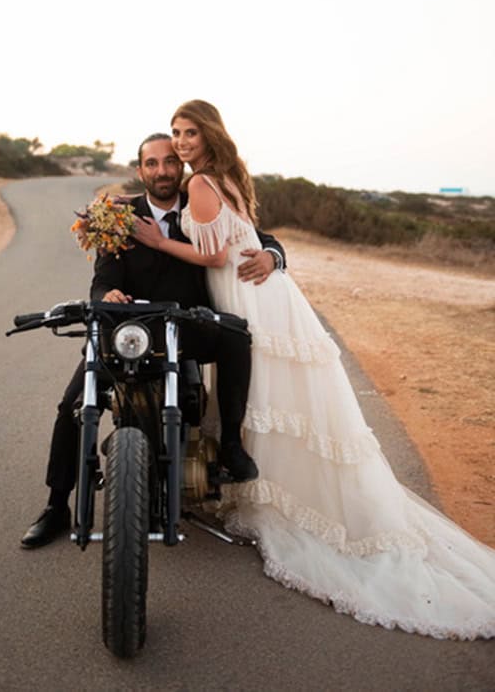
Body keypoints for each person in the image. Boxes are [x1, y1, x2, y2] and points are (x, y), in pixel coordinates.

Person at [134, 100, 495, 641]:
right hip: (265, 293)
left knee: (270, 396)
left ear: (208, 135)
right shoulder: (226, 176)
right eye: (176, 134)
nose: (182, 143)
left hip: (246, 296)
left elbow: (214, 258)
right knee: (279, 396)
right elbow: (246, 239)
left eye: (190, 133)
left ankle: (271, 490)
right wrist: (269, 256)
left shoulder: (204, 183)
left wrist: (161, 241)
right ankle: (264, 479)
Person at [21, 132, 286, 548]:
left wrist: (273, 256)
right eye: (151, 163)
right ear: (140, 169)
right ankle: (56, 504)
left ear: (179, 167)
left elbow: (251, 235)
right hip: (130, 330)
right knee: (72, 405)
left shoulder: (203, 202)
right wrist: (105, 296)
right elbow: (102, 280)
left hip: (187, 327)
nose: (161, 170)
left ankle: (232, 445)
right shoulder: (118, 214)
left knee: (236, 336)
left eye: (168, 162)